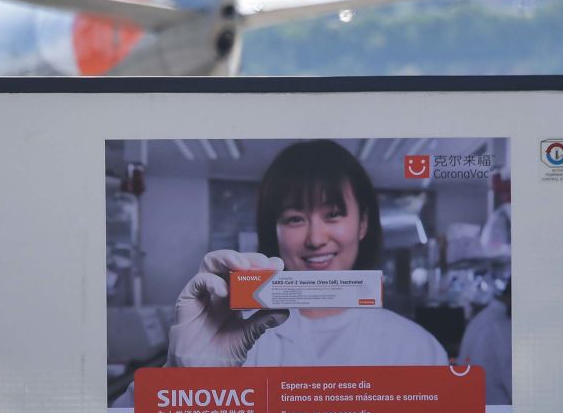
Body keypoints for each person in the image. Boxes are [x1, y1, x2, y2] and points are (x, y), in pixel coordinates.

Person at [168, 140, 447, 368]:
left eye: (333, 215)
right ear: (272, 231)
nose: (315, 239)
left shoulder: (418, 350)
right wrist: (185, 377)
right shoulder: (229, 338)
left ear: (363, 223)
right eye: (294, 219)